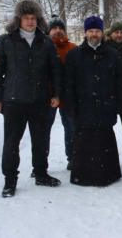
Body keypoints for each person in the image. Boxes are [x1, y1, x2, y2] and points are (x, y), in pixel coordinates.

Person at [0, 0, 62, 197]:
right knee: (11, 142)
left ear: (38, 19)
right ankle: (9, 181)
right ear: (19, 19)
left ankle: (40, 174)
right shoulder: (5, 41)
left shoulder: (46, 42)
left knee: (40, 140)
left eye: (33, 18)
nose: (30, 22)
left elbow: (55, 70)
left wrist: (56, 94)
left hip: (40, 100)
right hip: (14, 101)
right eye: (26, 18)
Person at [65, 16, 122, 186]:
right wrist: (71, 106)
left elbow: (120, 82)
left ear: (102, 33)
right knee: (84, 142)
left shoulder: (112, 54)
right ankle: (83, 176)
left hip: (106, 106)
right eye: (90, 31)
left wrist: (118, 104)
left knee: (105, 141)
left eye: (97, 31)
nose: (94, 34)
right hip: (84, 107)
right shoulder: (74, 55)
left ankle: (108, 175)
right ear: (85, 33)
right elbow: (68, 83)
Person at [45, 15, 77, 171]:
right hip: (47, 96)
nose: (58, 31)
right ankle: (40, 162)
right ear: (48, 30)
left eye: (60, 28)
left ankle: (72, 158)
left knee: (71, 128)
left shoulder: (72, 48)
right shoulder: (42, 46)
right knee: (43, 130)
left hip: (68, 96)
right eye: (54, 28)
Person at [104, 21, 122, 165]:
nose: (119, 35)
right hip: (108, 94)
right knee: (106, 128)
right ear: (111, 33)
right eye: (117, 32)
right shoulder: (104, 48)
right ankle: (107, 157)